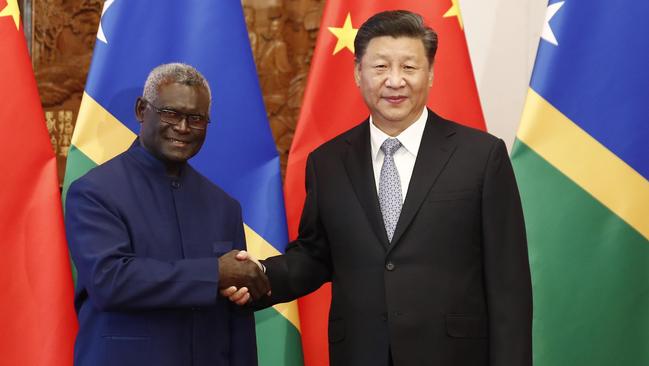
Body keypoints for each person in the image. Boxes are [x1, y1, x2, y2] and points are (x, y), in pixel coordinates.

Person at [226, 10, 532, 366]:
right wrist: (260, 277)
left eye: (409, 67)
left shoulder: (481, 156)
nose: (395, 81)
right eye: (381, 67)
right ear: (358, 73)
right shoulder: (327, 163)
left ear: (430, 74)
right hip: (360, 353)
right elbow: (315, 256)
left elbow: (509, 284)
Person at [65, 63, 269, 366]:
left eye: (196, 119)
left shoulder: (223, 206)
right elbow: (110, 281)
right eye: (171, 113)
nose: (183, 128)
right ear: (141, 110)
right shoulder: (95, 192)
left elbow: (236, 317)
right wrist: (214, 273)